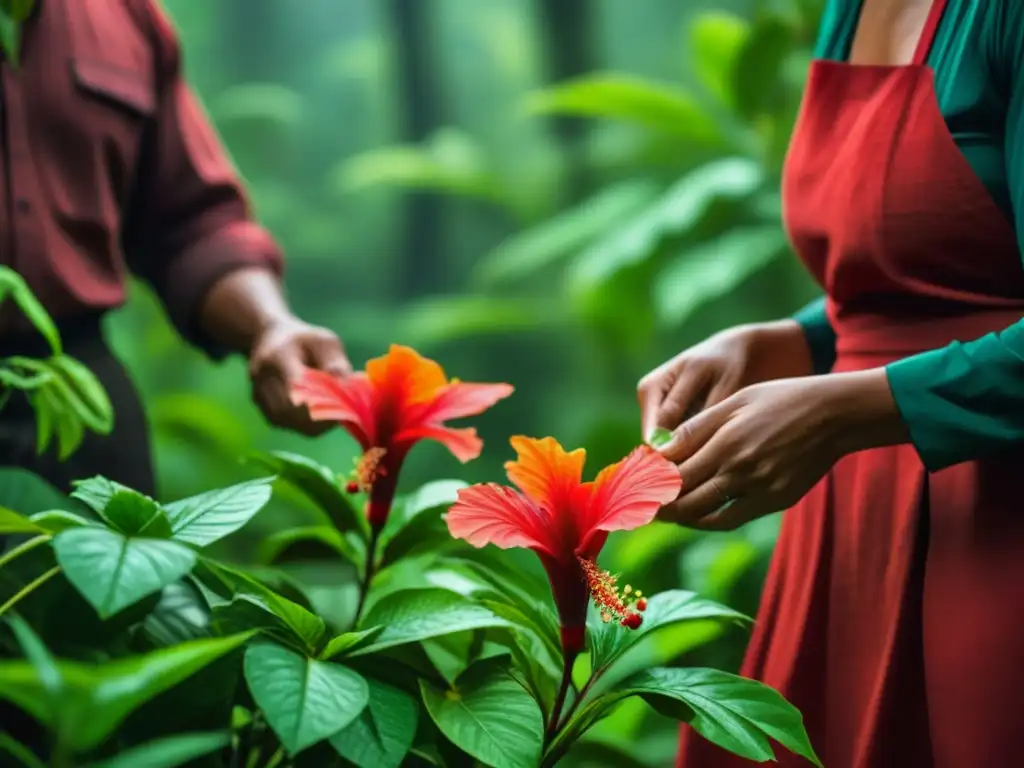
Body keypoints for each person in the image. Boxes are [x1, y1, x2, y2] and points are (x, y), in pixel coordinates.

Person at [638, 0, 1024, 766]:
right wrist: (801, 340)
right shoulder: (850, 9)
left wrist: (853, 409)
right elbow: (924, 263)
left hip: (996, 526)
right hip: (850, 532)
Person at [0, 0, 351, 500]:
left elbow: (191, 221)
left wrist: (270, 326)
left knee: (111, 575)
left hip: (77, 402)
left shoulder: (125, 15)